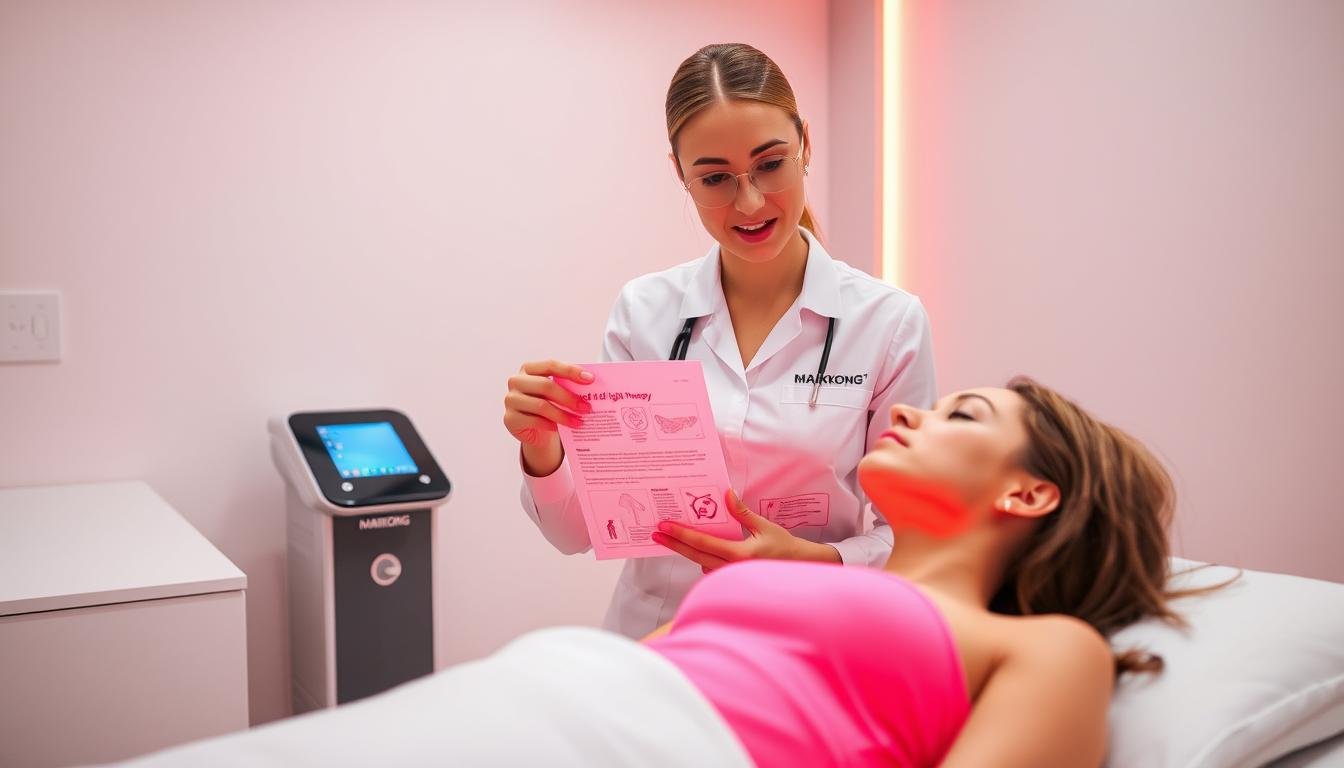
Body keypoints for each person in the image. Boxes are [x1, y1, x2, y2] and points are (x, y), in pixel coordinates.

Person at [120, 379, 1195, 768]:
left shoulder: (1044, 648)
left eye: (963, 415)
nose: (912, 410)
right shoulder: (825, 580)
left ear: (1030, 494)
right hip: (549, 686)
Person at [503, 42, 937, 639]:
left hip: (808, 641)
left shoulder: (888, 323)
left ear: (805, 145)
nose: (750, 201)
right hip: (660, 641)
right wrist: (542, 449)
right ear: (681, 175)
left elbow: (918, 539)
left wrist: (818, 560)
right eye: (715, 178)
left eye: (770, 165)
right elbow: (576, 532)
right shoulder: (644, 312)